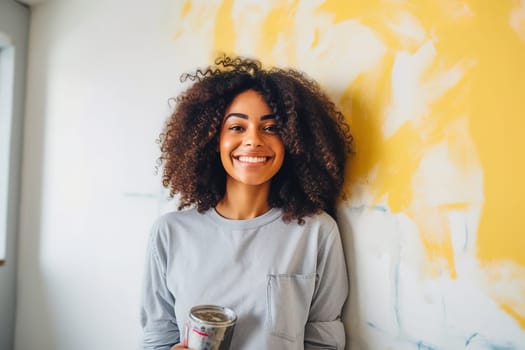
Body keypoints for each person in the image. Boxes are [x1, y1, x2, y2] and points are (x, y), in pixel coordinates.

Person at [141, 55, 353, 350]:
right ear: (213, 139)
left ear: (292, 141)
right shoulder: (170, 233)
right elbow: (157, 337)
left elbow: (324, 340)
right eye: (237, 128)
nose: (253, 140)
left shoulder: (317, 232)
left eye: (271, 128)